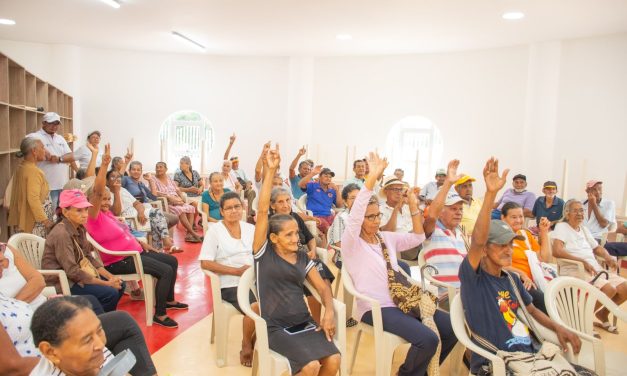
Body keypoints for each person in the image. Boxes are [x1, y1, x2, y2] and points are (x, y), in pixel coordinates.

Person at [459, 157, 581, 375]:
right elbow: (478, 239)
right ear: (485, 250)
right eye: (501, 245)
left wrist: (559, 327)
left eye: (511, 245)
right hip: (497, 362)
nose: (509, 250)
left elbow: (532, 310)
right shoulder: (474, 279)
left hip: (530, 355)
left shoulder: (512, 280)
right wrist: (490, 194)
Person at [342, 151, 456, 376]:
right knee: (428, 339)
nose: (376, 221)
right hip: (377, 308)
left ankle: (419, 372)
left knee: (451, 328)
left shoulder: (385, 238)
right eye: (370, 217)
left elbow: (418, 237)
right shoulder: (352, 243)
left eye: (377, 216)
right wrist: (372, 177)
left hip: (404, 299)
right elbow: (355, 216)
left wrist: (413, 206)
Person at [252, 143, 341, 376]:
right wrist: (270, 170)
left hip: (304, 322)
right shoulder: (264, 253)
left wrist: (329, 311)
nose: (295, 239)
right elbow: (262, 212)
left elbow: (322, 288)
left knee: (333, 359)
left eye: (296, 233)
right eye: (288, 235)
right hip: (276, 327)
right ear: (273, 237)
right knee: (310, 366)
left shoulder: (301, 257)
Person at [86, 146, 187, 328]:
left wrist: (142, 244)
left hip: (136, 253)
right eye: (104, 199)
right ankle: (160, 314)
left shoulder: (108, 214)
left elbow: (125, 233)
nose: (106, 202)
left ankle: (169, 300)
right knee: (165, 271)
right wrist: (104, 165)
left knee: (171, 261)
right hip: (119, 261)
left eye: (109, 199)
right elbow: (98, 191)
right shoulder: (93, 217)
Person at [0, 295, 156, 376]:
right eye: (87, 340)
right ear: (50, 352)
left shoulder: (96, 358)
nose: (100, 344)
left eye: (99, 330)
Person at [198, 191, 258, 367]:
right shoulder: (215, 231)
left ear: (243, 208)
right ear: (222, 212)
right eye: (229, 208)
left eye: (237, 206)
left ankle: (259, 337)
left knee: (277, 299)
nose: (234, 211)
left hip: (254, 278)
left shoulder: (250, 228)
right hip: (231, 282)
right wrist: (236, 271)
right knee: (254, 306)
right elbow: (205, 263)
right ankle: (247, 344)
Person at [42, 188, 124, 312]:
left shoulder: (79, 227)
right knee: (110, 292)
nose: (85, 214)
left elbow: (88, 257)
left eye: (86, 209)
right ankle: (98, 322)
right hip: (64, 281)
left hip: (79, 274)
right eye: (79, 210)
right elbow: (72, 271)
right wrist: (107, 284)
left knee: (120, 285)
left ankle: (99, 318)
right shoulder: (61, 234)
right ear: (65, 211)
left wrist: (111, 277)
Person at [552, 199, 627, 333]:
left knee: (624, 287)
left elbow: (597, 248)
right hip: (574, 269)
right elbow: (557, 251)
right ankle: (581, 320)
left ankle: (602, 314)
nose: (580, 213)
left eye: (582, 210)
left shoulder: (584, 230)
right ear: (567, 213)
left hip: (594, 270)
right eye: (575, 211)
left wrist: (608, 257)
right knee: (609, 289)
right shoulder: (561, 227)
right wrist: (581, 261)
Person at [269, 187, 336, 324]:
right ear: (272, 205)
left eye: (288, 200)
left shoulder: (295, 217)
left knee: (321, 275)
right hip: (288, 262)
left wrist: (312, 250)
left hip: (305, 258)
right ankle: (328, 314)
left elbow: (310, 238)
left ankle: (325, 315)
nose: (286, 205)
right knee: (317, 279)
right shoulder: (272, 223)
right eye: (280, 202)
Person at [107, 169, 181, 253]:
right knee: (156, 219)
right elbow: (116, 213)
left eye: (118, 177)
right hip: (129, 220)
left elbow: (138, 203)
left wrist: (141, 212)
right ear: (107, 181)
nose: (117, 179)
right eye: (113, 177)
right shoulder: (108, 193)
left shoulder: (124, 190)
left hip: (139, 213)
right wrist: (116, 192)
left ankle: (159, 250)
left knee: (156, 214)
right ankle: (163, 245)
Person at [421, 163, 468, 291]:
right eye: (453, 209)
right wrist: (448, 183)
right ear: (441, 211)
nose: (458, 212)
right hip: (446, 295)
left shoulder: (461, 234)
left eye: (460, 209)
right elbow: (431, 215)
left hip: (466, 292)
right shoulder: (433, 231)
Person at [500, 202, 550, 313]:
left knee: (565, 294)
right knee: (545, 302)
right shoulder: (499, 236)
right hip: (516, 282)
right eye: (513, 217)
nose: (518, 220)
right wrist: (522, 274)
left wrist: (544, 231)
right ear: (503, 218)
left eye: (521, 216)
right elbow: (498, 265)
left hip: (536, 279)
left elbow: (544, 258)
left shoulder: (525, 235)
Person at [27, 112, 76, 209]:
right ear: (44, 123)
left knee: (61, 215)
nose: (54, 126)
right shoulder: (34, 136)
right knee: (49, 217)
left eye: (56, 123)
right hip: (47, 186)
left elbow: (70, 155)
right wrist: (45, 152)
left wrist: (77, 171)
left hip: (63, 184)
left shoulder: (60, 138)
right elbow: (26, 144)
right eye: (51, 123)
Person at [8, 137, 54, 237]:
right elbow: (33, 198)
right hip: (35, 223)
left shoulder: (22, 167)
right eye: (42, 148)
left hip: (27, 220)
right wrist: (45, 221)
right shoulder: (33, 171)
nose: (45, 151)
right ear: (34, 151)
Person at [149, 161, 202, 243]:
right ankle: (193, 233)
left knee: (190, 208)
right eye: (157, 167)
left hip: (177, 200)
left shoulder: (169, 178)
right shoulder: (153, 179)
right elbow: (154, 192)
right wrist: (169, 197)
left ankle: (189, 234)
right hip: (165, 203)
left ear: (166, 169)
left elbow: (177, 189)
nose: (158, 169)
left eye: (160, 167)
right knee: (180, 211)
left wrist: (182, 200)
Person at [122, 160, 180, 229]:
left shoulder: (141, 184)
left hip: (148, 207)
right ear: (129, 171)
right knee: (165, 221)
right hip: (137, 209)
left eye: (138, 170)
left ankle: (156, 236)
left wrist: (150, 180)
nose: (136, 171)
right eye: (133, 169)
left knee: (175, 219)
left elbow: (154, 197)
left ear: (141, 171)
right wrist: (126, 163)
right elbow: (118, 179)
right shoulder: (126, 179)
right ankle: (157, 237)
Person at [0, 242, 47, 310]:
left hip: (40, 307)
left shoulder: (6, 249)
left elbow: (39, 281)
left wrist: (13, 306)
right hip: (14, 318)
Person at [298, 165, 344, 235]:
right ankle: (330, 246)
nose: (328, 178)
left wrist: (337, 190)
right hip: (316, 217)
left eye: (330, 177)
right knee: (328, 229)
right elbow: (300, 184)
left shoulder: (332, 191)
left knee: (342, 225)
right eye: (326, 176)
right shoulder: (313, 185)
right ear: (319, 177)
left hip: (329, 216)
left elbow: (339, 205)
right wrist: (312, 173)